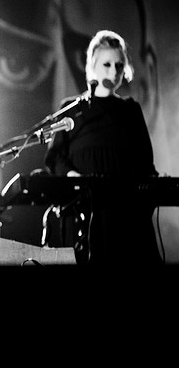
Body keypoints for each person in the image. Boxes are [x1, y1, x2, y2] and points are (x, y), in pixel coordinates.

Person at [44, 30, 161, 267]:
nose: (113, 71)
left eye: (119, 65)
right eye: (107, 64)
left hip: (127, 217)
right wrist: (72, 177)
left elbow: (146, 164)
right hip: (85, 216)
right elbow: (55, 156)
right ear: (92, 66)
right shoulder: (72, 109)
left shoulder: (130, 111)